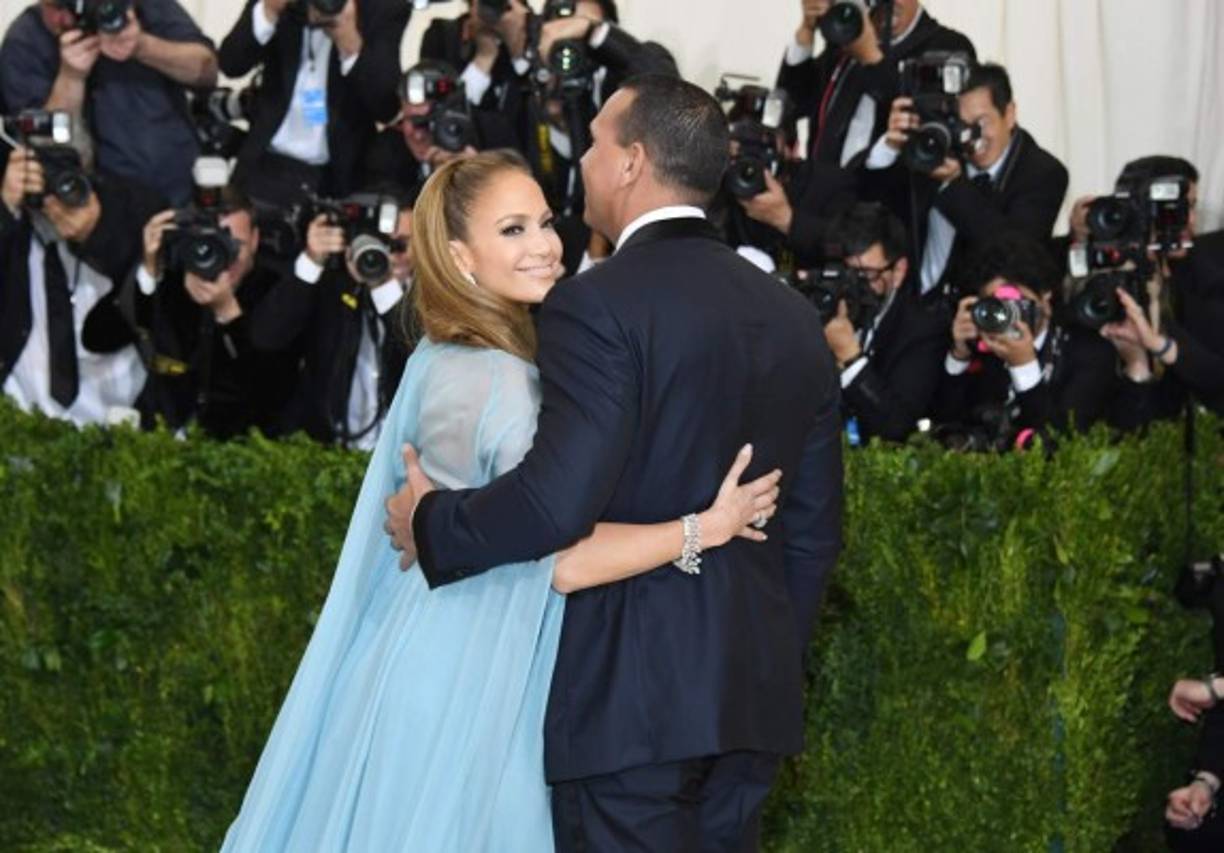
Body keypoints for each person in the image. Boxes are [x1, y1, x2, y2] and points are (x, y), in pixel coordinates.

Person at [221, 149, 783, 851]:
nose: (546, 245)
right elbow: (560, 559)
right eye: (512, 230)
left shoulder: (443, 355)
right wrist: (708, 525)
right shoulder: (498, 381)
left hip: (432, 653)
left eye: (544, 222)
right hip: (463, 679)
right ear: (460, 257)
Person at [390, 75, 843, 850]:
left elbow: (554, 504)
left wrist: (433, 522)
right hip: (750, 702)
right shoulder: (797, 318)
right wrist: (757, 661)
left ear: (630, 162)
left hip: (628, 704)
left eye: (596, 142)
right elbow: (812, 535)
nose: (586, 161)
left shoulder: (597, 304)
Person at [865, 61, 1068, 303]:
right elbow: (870, 208)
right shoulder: (934, 149)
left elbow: (1015, 254)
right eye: (959, 124)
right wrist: (889, 147)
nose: (970, 137)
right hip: (910, 307)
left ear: (1010, 114)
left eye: (981, 123)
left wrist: (953, 186)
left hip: (974, 315)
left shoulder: (1042, 173)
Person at [0, 0, 219, 206]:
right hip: (85, 207)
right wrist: (71, 77)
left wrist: (142, 46)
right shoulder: (25, 40)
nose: (67, 19)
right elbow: (42, 148)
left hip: (176, 190)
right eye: (56, 7)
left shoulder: (137, 7)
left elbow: (206, 71)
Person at [248, 186, 417, 449]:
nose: (389, 254)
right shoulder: (333, 285)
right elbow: (266, 336)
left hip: (401, 458)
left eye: (400, 244)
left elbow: (419, 354)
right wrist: (311, 260)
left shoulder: (437, 298)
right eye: (379, 242)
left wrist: (382, 285)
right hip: (329, 450)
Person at [1, 145, 155, 427]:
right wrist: (5, 209)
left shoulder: (128, 209)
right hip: (21, 424)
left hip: (120, 421)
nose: (55, 200)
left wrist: (95, 233)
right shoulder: (14, 234)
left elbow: (151, 290)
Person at [120, 186, 288, 438]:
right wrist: (149, 267)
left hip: (240, 445)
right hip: (161, 436)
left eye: (233, 244)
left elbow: (269, 387)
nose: (223, 258)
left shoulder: (277, 292)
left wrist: (228, 312)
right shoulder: (176, 277)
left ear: (254, 240)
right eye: (210, 242)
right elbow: (107, 335)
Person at [217, 0, 410, 206]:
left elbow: (387, 107)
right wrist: (269, 11)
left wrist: (348, 38)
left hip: (337, 176)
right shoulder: (285, 5)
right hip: (265, 164)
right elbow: (231, 63)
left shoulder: (384, 8)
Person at [778, 0, 975, 166]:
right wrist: (807, 29)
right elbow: (792, 104)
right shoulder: (849, 38)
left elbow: (924, 118)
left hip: (886, 202)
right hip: (821, 196)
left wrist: (871, 57)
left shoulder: (946, 45)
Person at [822, 202, 946, 443]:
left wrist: (850, 356)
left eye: (867, 275)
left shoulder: (923, 328)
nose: (853, 285)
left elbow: (897, 426)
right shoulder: (822, 307)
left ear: (898, 271)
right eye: (844, 272)